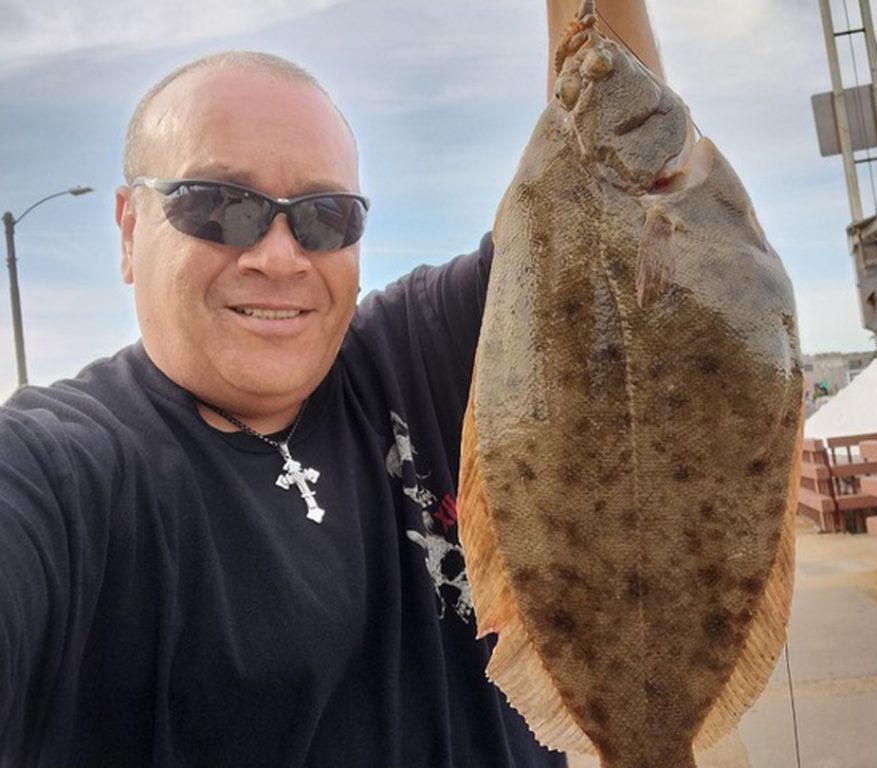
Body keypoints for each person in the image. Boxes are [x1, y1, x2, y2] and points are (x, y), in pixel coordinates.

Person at [0, 2, 663, 765]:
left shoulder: (411, 353)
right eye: (220, 206)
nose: (280, 257)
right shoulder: (61, 475)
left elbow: (609, 207)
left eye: (324, 216)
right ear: (128, 229)